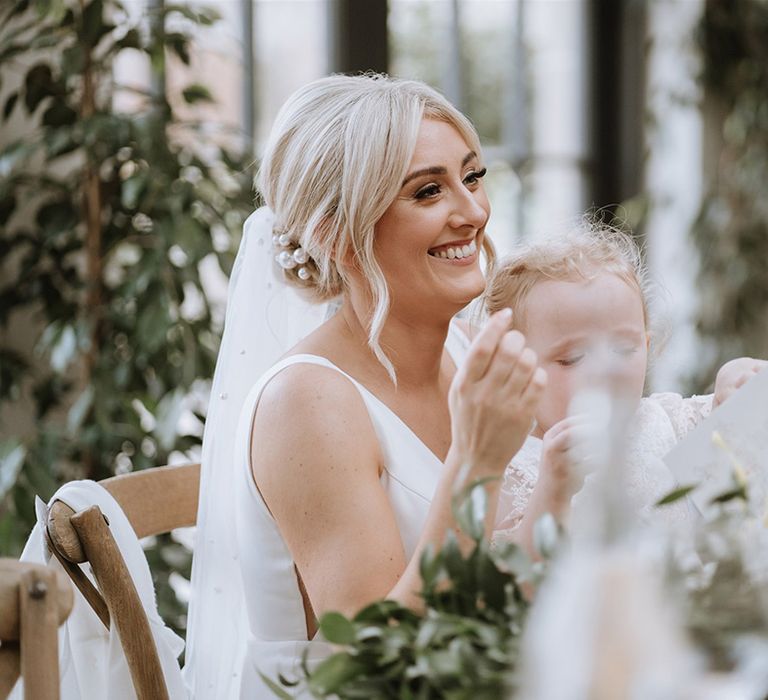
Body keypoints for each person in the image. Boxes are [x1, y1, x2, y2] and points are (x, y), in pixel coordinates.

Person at [183, 74, 547, 698]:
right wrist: (476, 461)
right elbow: (376, 670)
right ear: (334, 233)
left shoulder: (465, 350)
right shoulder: (308, 403)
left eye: (473, 176)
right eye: (429, 192)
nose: (474, 212)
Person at [484, 224, 766, 536]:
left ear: (646, 348)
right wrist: (551, 491)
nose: (605, 370)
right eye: (572, 358)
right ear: (514, 366)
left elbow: (744, 450)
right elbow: (514, 577)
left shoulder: (667, 422)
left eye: (623, 349)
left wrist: (737, 379)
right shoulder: (513, 473)